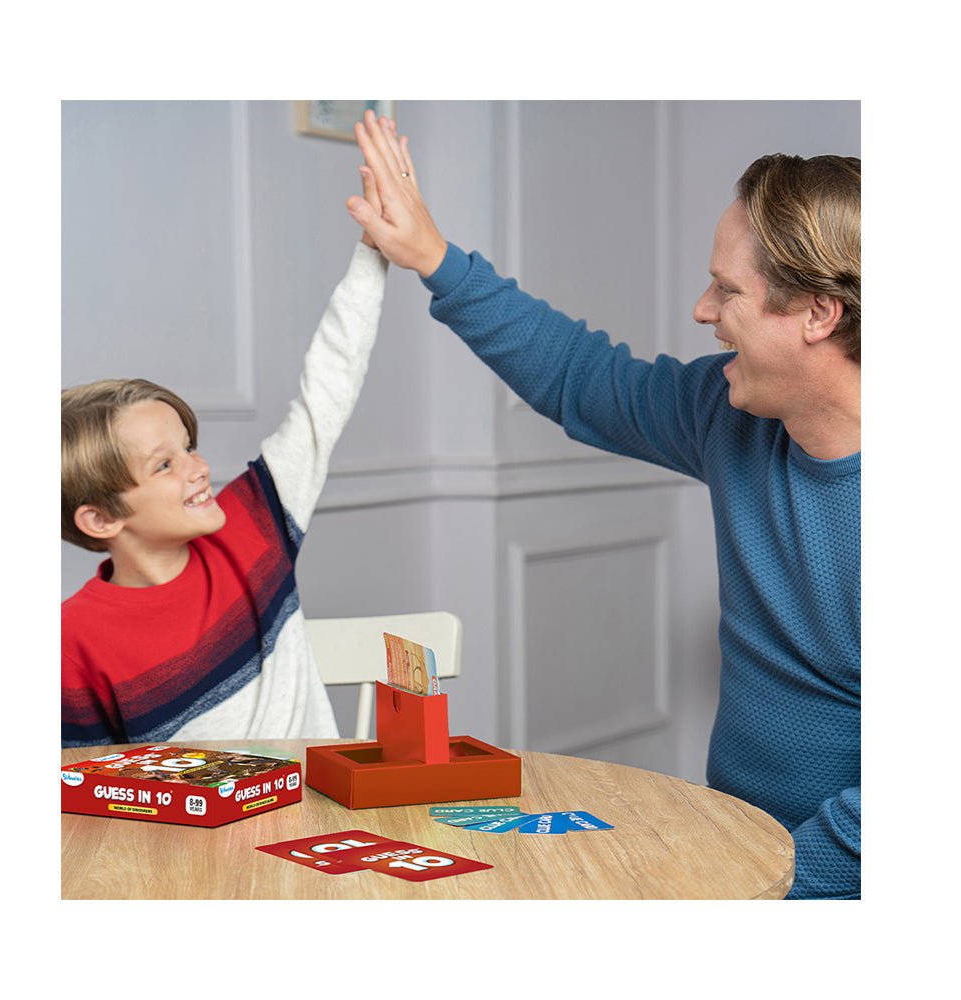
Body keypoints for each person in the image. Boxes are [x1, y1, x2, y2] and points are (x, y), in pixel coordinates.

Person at [346, 110, 860, 900]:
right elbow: (582, 377)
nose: (702, 310)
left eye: (727, 290)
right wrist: (434, 258)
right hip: (734, 843)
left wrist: (761, 895)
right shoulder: (728, 415)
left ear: (819, 314)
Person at [61, 180, 388, 748]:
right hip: (183, 813)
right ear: (101, 518)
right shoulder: (70, 642)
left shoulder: (255, 522)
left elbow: (328, 387)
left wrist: (374, 247)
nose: (198, 467)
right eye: (164, 465)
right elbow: (81, 784)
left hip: (316, 801)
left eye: (189, 446)